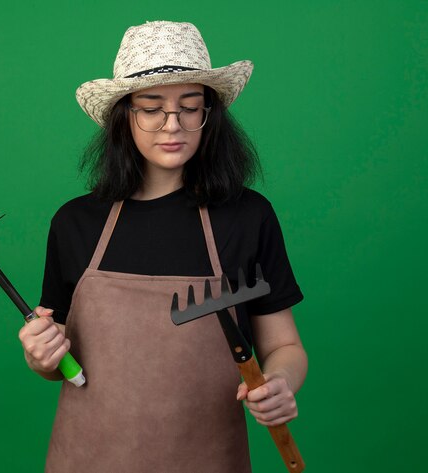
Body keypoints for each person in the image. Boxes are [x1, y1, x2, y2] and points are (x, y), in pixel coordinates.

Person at [18, 20, 307, 473]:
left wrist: (280, 383)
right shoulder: (76, 223)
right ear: (123, 115)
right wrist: (40, 356)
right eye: (151, 108)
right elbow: (58, 362)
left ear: (209, 114)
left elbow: (286, 346)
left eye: (190, 107)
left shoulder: (248, 217)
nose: (172, 125)